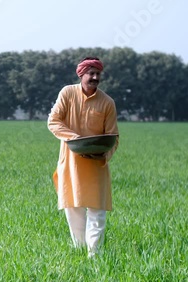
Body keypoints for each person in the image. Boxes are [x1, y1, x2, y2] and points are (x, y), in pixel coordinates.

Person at [47, 56, 119, 257]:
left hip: (97, 164)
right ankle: (80, 251)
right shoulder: (68, 93)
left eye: (98, 74)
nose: (95, 77)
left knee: (97, 211)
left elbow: (114, 136)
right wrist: (75, 138)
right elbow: (53, 121)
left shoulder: (107, 103)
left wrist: (104, 154)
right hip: (71, 162)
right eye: (91, 73)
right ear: (81, 74)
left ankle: (94, 256)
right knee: (73, 207)